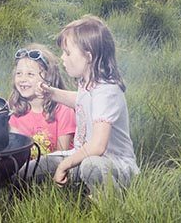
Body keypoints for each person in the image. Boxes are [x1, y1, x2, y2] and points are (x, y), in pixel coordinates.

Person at [28, 15, 139, 193]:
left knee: (91, 166)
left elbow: (97, 146)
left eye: (68, 52)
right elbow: (80, 101)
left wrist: (65, 165)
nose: (62, 58)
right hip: (81, 154)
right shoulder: (88, 82)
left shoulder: (107, 90)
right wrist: (51, 93)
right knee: (29, 170)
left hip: (115, 164)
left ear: (88, 56)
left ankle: (113, 206)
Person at [7, 43, 76, 156]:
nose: (22, 79)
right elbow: (14, 153)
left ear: (48, 78)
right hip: (26, 169)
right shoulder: (15, 111)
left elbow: (61, 156)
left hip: (56, 166)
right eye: (19, 73)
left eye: (30, 74)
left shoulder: (63, 110)